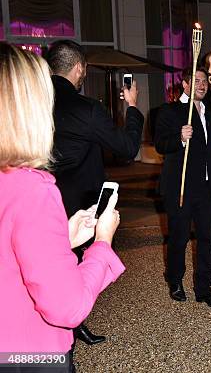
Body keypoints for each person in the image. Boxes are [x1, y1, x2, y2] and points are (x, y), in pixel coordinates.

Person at [0, 42, 123, 372]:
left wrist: (62, 240)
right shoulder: (31, 188)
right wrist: (102, 243)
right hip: (29, 354)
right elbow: (67, 307)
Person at [46, 39, 143, 345]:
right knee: (74, 264)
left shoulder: (29, 103)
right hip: (78, 204)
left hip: (37, 199)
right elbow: (127, 148)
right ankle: (71, 324)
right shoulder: (86, 109)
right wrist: (132, 108)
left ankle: (65, 325)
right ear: (79, 68)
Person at [155, 66, 211, 307]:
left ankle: (204, 287)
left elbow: (210, 155)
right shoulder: (169, 111)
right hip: (180, 187)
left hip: (205, 189)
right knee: (178, 238)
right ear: (185, 84)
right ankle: (175, 281)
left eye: (205, 81)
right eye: (197, 81)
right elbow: (160, 144)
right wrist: (179, 138)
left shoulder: (209, 113)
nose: (202, 85)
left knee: (207, 239)